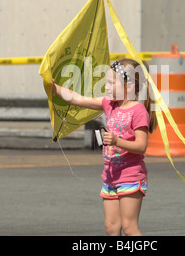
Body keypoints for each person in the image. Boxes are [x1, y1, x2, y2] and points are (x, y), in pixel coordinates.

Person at [52, 58, 157, 236]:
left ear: (129, 87)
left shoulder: (138, 111)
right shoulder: (109, 104)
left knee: (129, 227)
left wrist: (117, 141)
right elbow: (77, 99)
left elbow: (141, 146)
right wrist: (53, 87)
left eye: (111, 83)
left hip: (130, 176)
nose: (106, 87)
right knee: (111, 227)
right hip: (110, 177)